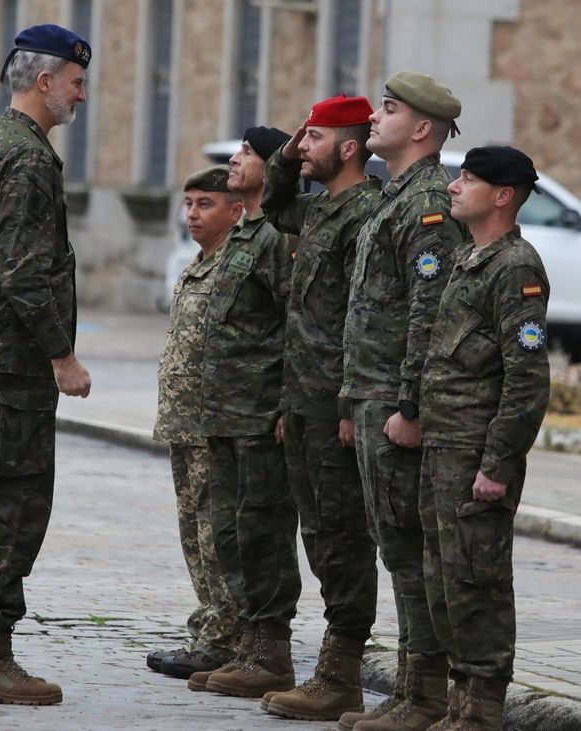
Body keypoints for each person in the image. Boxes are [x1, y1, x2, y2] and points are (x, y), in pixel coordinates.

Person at [0, 24, 92, 706]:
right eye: (75, 81)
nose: (81, 94)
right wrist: (62, 354)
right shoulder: (27, 159)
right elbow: (24, 272)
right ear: (44, 81)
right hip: (11, 361)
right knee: (14, 500)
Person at [338, 71, 466, 731]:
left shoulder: (430, 202)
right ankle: (411, 687)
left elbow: (427, 312)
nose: (375, 119)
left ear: (421, 128)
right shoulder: (397, 196)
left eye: (388, 110)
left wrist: (409, 406)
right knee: (395, 544)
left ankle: (425, 695)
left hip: (396, 401)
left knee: (413, 549)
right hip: (371, 397)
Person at [257, 95, 383, 722]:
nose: (302, 145)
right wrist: (286, 157)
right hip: (304, 402)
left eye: (314, 137)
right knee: (318, 533)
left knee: (342, 538)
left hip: (338, 404)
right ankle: (331, 671)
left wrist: (347, 402)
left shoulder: (366, 214)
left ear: (350, 146)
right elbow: (276, 209)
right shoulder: (322, 209)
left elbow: (364, 319)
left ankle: (342, 672)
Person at [419, 146, 550, 731]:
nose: (453, 187)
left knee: (478, 581)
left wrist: (498, 463)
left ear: (502, 196)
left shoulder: (514, 267)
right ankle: (459, 703)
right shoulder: (471, 259)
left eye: (467, 179)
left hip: (476, 453)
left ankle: (482, 711)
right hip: (442, 448)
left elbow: (527, 379)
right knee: (445, 580)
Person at [190, 126, 301, 701]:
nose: (234, 160)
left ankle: (271, 653)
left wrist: (285, 402)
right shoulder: (242, 235)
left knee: (262, 533)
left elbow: (295, 325)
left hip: (260, 416)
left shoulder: (277, 239)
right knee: (231, 534)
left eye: (248, 153)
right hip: (224, 414)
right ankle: (248, 647)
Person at [146, 165, 245, 680]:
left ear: (236, 209)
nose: (192, 214)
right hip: (184, 423)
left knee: (215, 534)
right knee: (193, 531)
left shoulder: (237, 265)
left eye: (205, 204)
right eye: (188, 204)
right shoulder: (195, 266)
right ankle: (208, 625)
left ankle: (225, 636)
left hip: (216, 423)